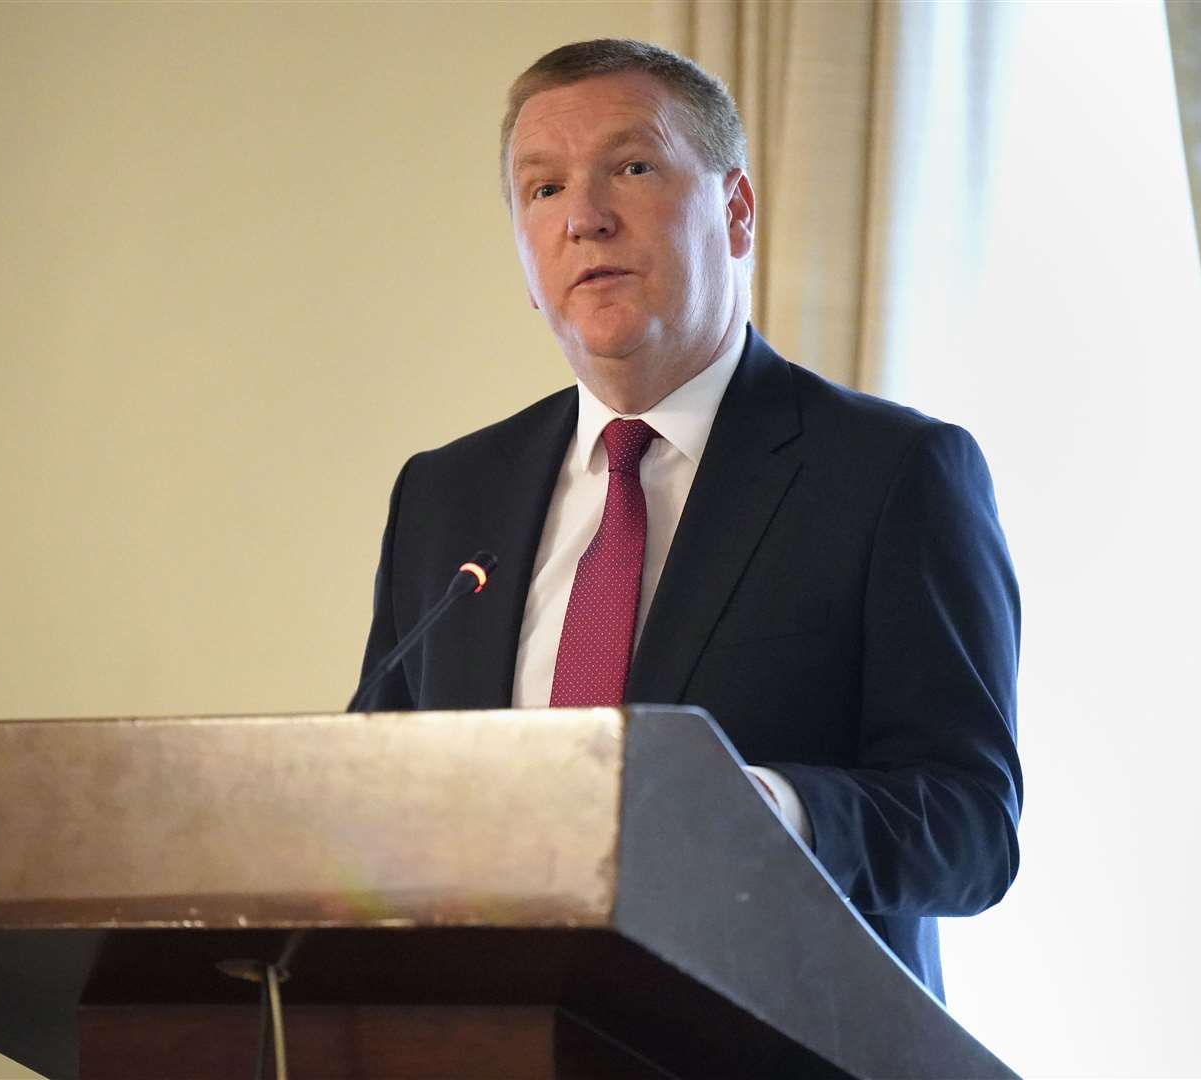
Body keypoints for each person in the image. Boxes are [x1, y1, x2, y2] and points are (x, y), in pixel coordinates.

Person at [353, 38, 1021, 1001]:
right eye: (542, 190)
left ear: (736, 211)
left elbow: (971, 829)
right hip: (487, 1036)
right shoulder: (446, 492)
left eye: (631, 167)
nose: (584, 218)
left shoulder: (894, 473)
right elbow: (372, 793)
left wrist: (769, 809)